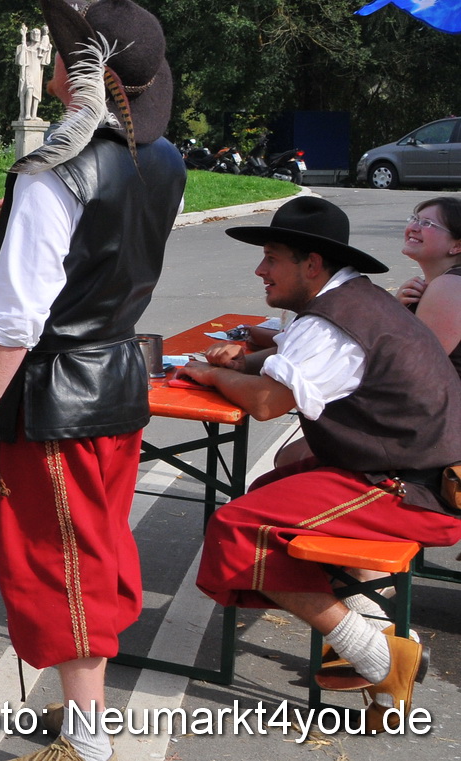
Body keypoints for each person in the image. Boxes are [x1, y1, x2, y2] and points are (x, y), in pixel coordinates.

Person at [0, 0, 185, 761]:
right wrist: (27, 213)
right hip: (117, 378)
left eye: (62, 54)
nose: (48, 65)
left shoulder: (55, 174)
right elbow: (111, 246)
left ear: (82, 76)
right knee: (98, 550)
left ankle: (87, 738)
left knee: (60, 563)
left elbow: (16, 320)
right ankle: (89, 714)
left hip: (55, 397)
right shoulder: (165, 159)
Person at [184, 196, 461, 730]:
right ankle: (384, 641)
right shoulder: (353, 299)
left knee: (240, 526)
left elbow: (267, 403)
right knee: (272, 487)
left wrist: (214, 375)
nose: (260, 270)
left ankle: (377, 655)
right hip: (407, 470)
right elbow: (293, 351)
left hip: (413, 488)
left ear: (312, 265)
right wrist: (247, 360)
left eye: (272, 258)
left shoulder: (336, 320)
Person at [392, 195, 461, 376]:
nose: (413, 227)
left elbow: (414, 365)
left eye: (427, 224)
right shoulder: (439, 284)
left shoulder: (449, 286)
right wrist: (397, 308)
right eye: (415, 219)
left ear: (457, 246)